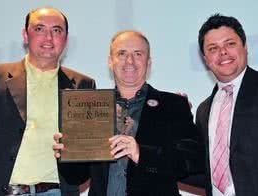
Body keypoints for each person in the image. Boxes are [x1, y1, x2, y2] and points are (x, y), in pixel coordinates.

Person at [54, 30, 204, 196]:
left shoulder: (173, 105)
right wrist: (66, 153)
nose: (130, 61)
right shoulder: (92, 108)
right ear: (110, 61)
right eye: (122, 53)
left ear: (148, 62)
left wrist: (142, 154)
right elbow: (77, 177)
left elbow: (192, 160)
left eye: (138, 54)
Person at [0, 7, 95, 196]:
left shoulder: (83, 85)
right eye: (39, 29)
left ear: (66, 39)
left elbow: (88, 152)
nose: (48, 38)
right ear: (25, 34)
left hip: (56, 191)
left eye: (56, 30)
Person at [195, 13, 258, 196]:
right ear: (205, 59)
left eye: (230, 44)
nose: (223, 52)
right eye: (213, 48)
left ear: (245, 47)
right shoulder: (203, 111)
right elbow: (199, 171)